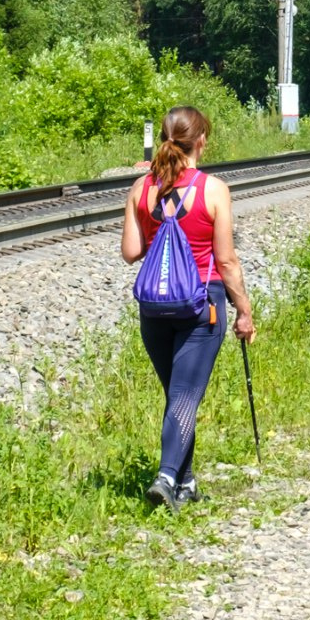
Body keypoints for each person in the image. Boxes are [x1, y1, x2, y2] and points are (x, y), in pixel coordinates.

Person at [119, 105, 256, 508]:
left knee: (179, 394)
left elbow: (131, 252)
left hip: (155, 309)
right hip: (201, 306)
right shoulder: (212, 189)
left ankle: (186, 481)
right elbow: (227, 262)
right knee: (184, 396)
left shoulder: (140, 189)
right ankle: (165, 477)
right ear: (200, 141)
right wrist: (244, 310)